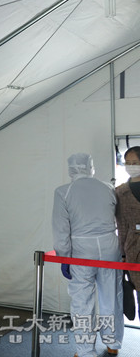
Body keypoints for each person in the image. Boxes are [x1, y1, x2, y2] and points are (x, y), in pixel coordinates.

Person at [52, 153, 123, 357]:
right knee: (111, 296)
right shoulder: (107, 188)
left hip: (81, 250)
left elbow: (60, 230)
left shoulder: (63, 192)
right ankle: (112, 342)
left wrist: (64, 257)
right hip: (110, 247)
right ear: (91, 167)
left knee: (82, 301)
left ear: (70, 169)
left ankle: (85, 350)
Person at [115, 146, 140, 316]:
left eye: (135, 163)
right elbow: (122, 225)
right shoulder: (120, 192)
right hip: (134, 248)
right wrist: (122, 254)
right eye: (128, 163)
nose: (131, 166)